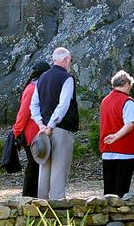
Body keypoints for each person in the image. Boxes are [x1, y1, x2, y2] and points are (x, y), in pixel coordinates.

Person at [30, 47, 79, 199]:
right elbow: (63, 105)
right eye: (69, 60)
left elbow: (34, 105)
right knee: (59, 171)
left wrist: (40, 124)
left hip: (44, 131)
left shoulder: (42, 79)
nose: (70, 62)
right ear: (65, 60)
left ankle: (41, 207)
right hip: (60, 129)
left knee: (44, 170)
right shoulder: (66, 78)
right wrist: (51, 125)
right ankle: (57, 211)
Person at [99, 70, 134, 197]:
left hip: (107, 149)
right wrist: (116, 136)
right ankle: (120, 214)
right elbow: (129, 124)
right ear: (127, 84)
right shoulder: (127, 101)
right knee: (122, 188)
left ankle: (108, 214)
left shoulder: (105, 100)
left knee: (109, 188)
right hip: (125, 150)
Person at [12, 61, 51, 197]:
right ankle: (28, 197)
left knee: (36, 166)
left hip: (36, 133)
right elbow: (24, 113)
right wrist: (17, 131)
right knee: (33, 166)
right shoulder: (33, 88)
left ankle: (33, 197)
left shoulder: (35, 86)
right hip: (32, 134)